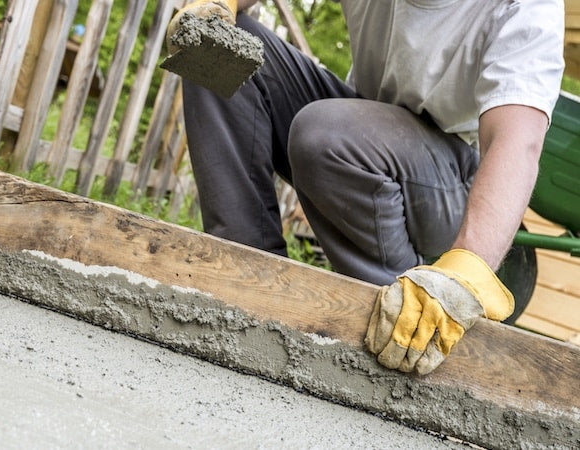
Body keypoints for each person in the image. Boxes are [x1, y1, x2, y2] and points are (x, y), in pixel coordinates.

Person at [166, 0, 565, 374]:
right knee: (211, 39)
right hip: (361, 133)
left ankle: (398, 327)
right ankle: (248, 280)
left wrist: (466, 269)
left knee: (325, 134)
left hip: (451, 183)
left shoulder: (524, 8)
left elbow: (517, 144)